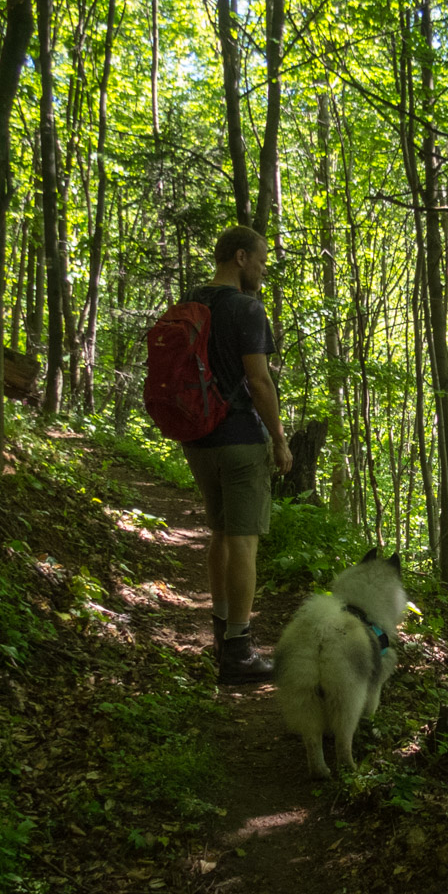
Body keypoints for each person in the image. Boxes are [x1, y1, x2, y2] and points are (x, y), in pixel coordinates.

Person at [182, 225, 293, 685]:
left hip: (198, 438)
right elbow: (260, 381)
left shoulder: (191, 301)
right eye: (263, 260)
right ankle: (240, 650)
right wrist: (281, 438)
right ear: (241, 257)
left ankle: (221, 633)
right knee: (244, 541)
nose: (264, 269)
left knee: (221, 534)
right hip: (240, 438)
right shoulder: (247, 309)